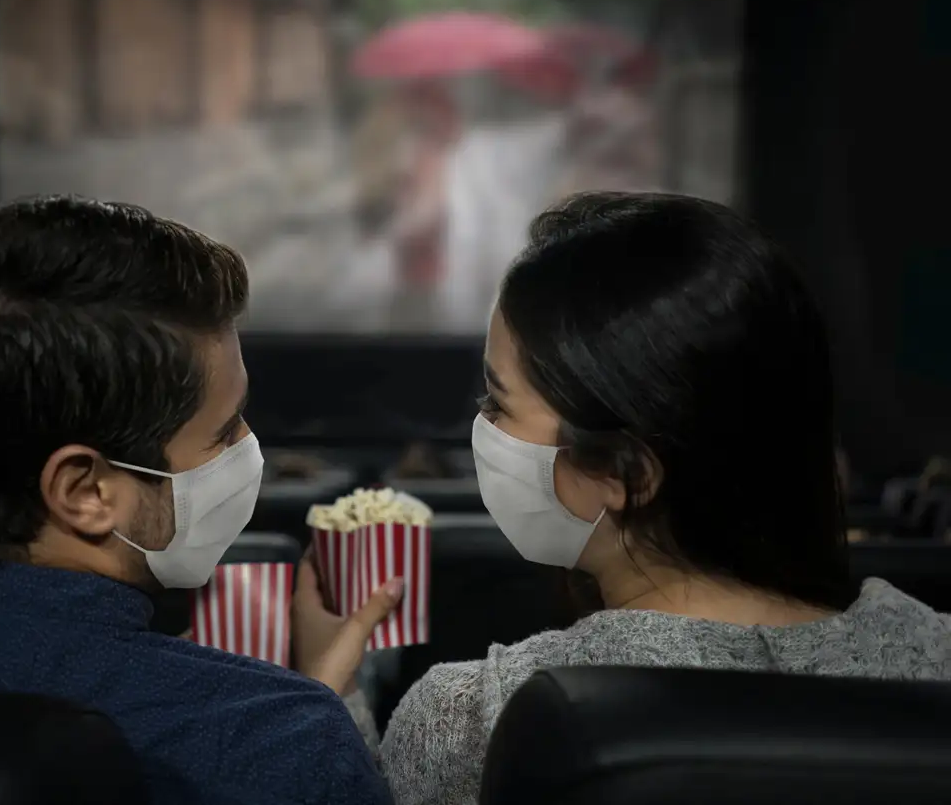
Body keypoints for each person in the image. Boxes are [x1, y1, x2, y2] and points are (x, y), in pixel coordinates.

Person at [300, 191, 951, 805]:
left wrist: (328, 700)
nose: (483, 425)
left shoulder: (473, 718)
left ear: (627, 474)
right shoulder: (934, 651)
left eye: (498, 402)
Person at [0, 196, 398, 805]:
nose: (248, 447)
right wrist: (310, 711)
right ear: (84, 491)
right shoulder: (282, 743)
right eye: (225, 431)